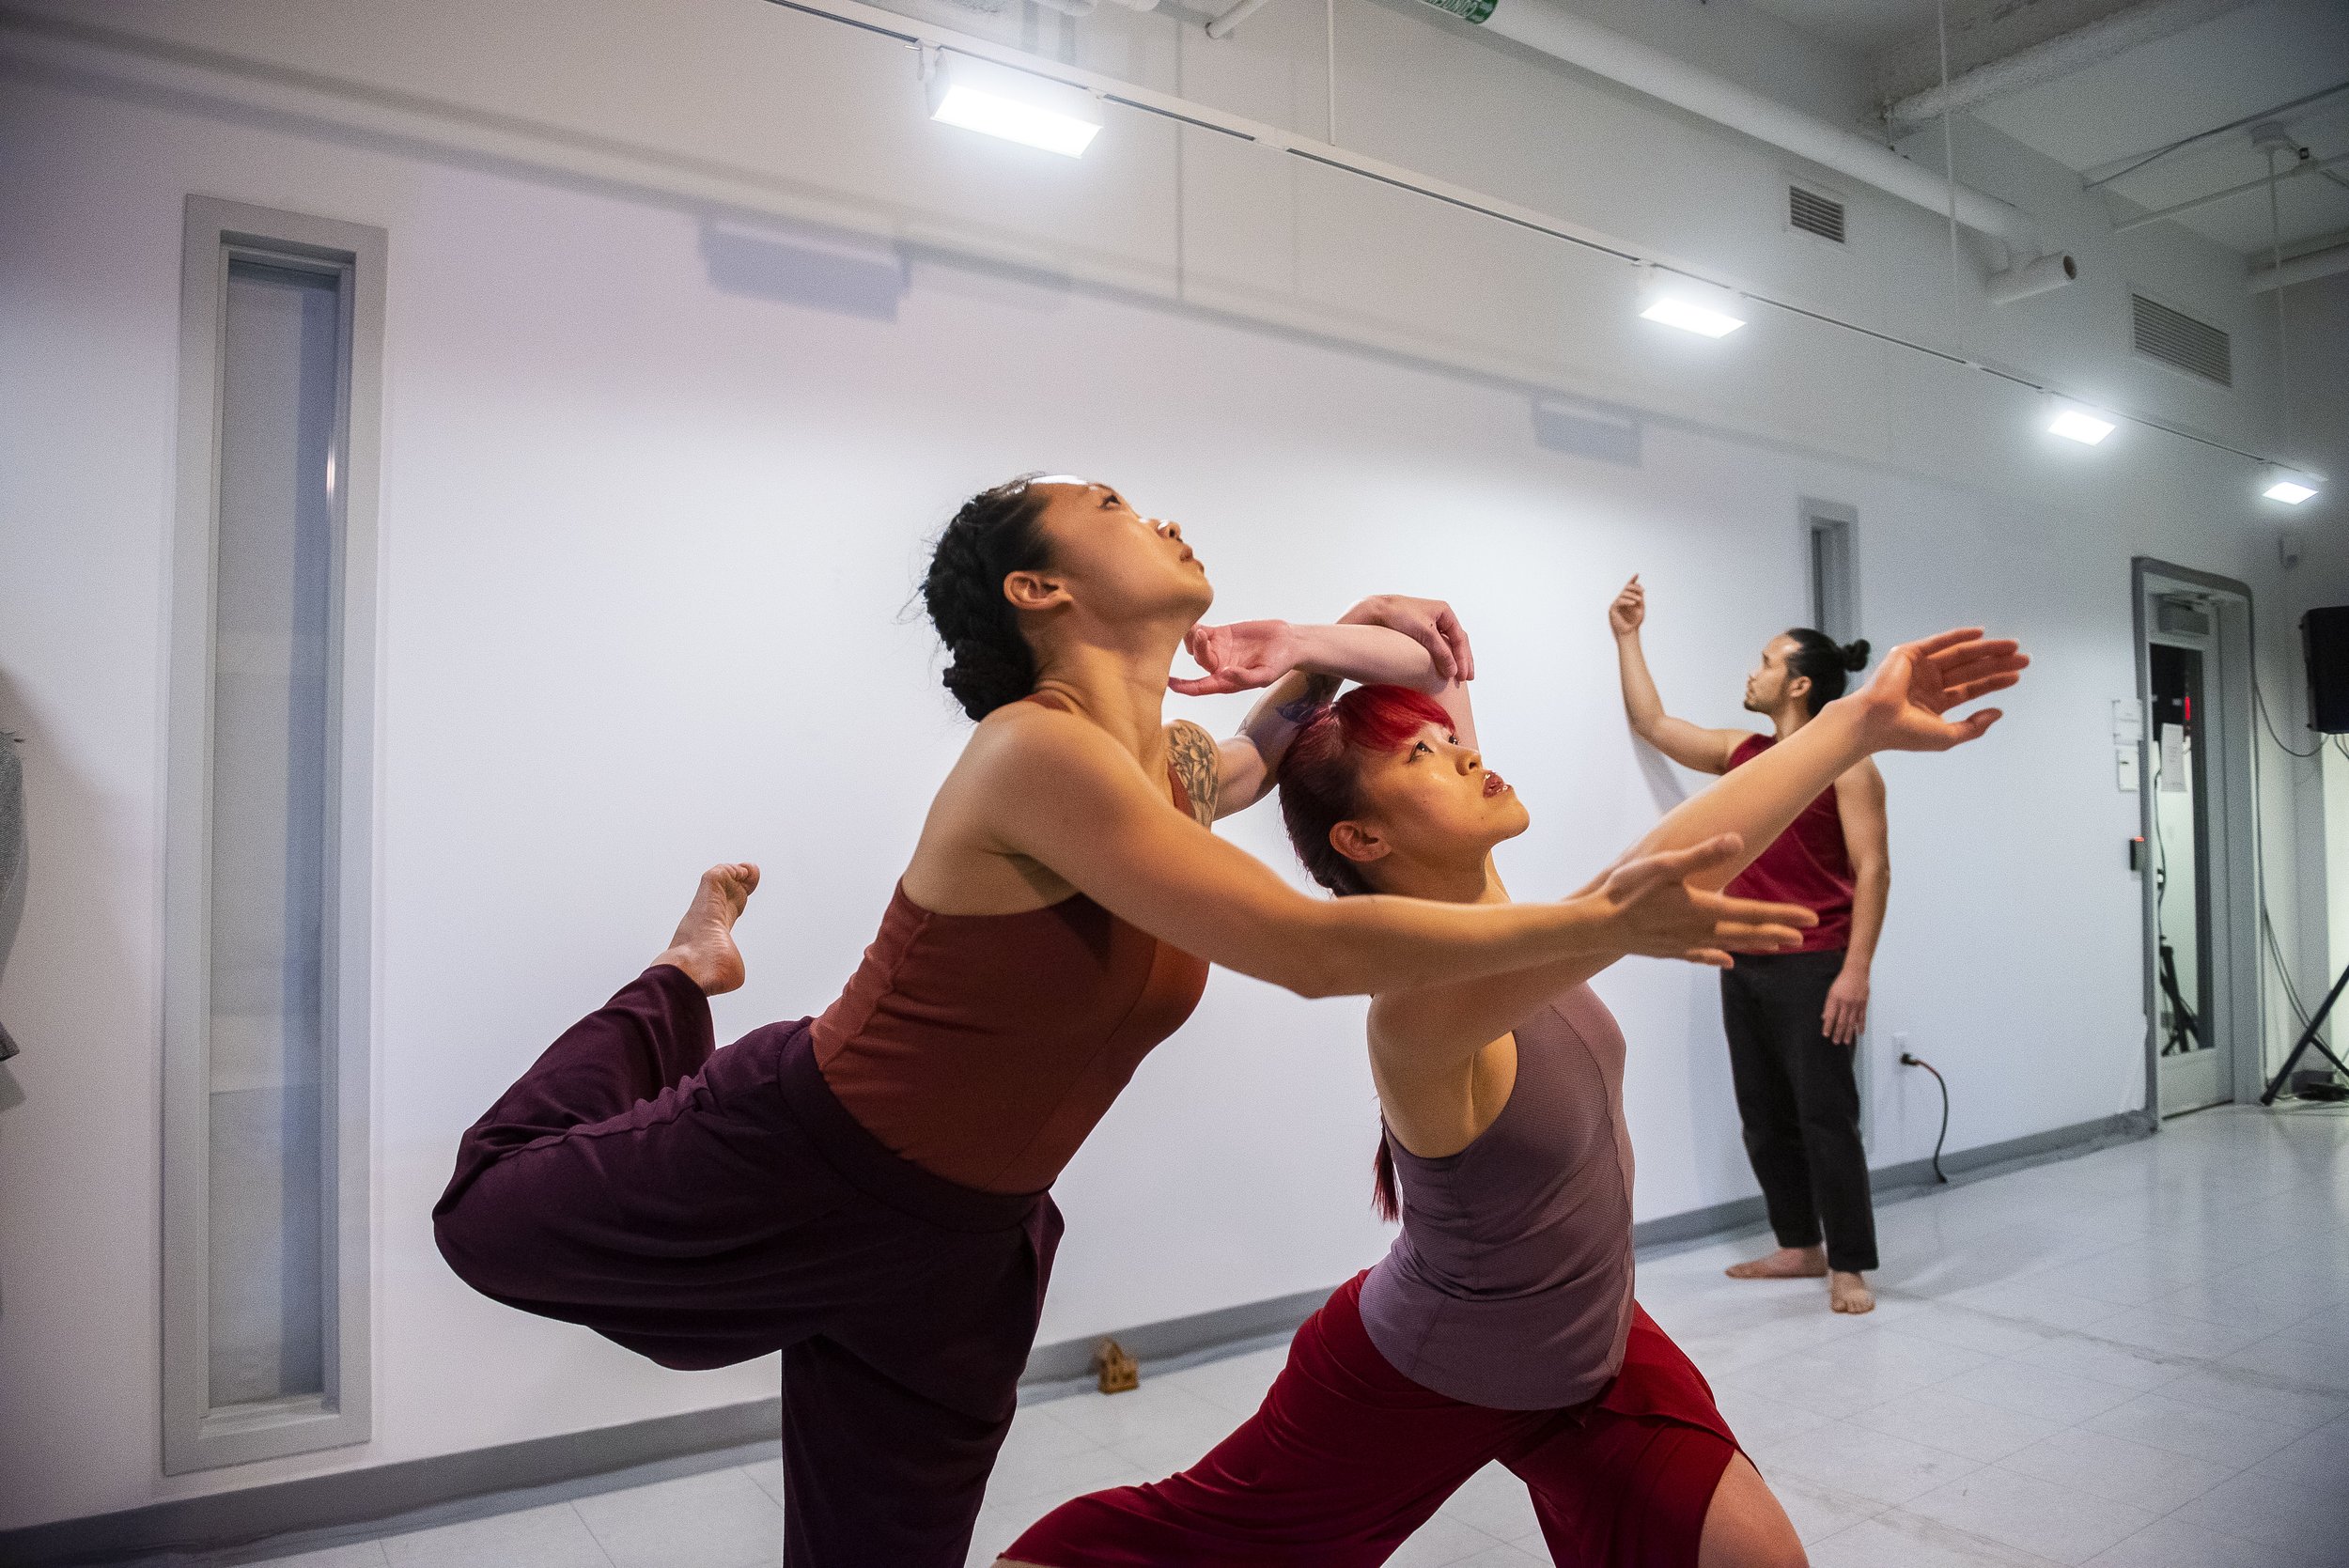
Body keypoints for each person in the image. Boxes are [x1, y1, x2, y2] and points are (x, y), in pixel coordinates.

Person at [430, 475, 1816, 1568]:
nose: (1149, 511)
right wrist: (1606, 921)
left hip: (966, 1245)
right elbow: (1307, 943)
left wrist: (1326, 642)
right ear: (1039, 588)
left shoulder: (1166, 769)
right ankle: (681, 975)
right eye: (1107, 507)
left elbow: (1379, 679)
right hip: (805, 1150)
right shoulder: (1033, 751)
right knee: (484, 1212)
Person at [1000, 615, 2024, 1568]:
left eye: (1449, 745)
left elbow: (1436, 662)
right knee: (1185, 1540)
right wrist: (1853, 724)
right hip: (1428, 1368)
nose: (1465, 754)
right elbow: (1624, 891)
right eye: (1421, 760)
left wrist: (1310, 645)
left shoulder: (1494, 905)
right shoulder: (1416, 1007)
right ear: (1363, 840)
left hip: (1587, 1345)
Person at [1610, 577, 1889, 1314]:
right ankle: (1800, 1245)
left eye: (1765, 661)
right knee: (1762, 1112)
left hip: (1816, 961)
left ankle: (1850, 1265)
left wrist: (1854, 971)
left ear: (1798, 682)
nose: (1752, 671)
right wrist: (1628, 636)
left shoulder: (1849, 765)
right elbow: (1654, 723)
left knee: (1826, 1116)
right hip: (1742, 959)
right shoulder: (1743, 752)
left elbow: (1874, 868)